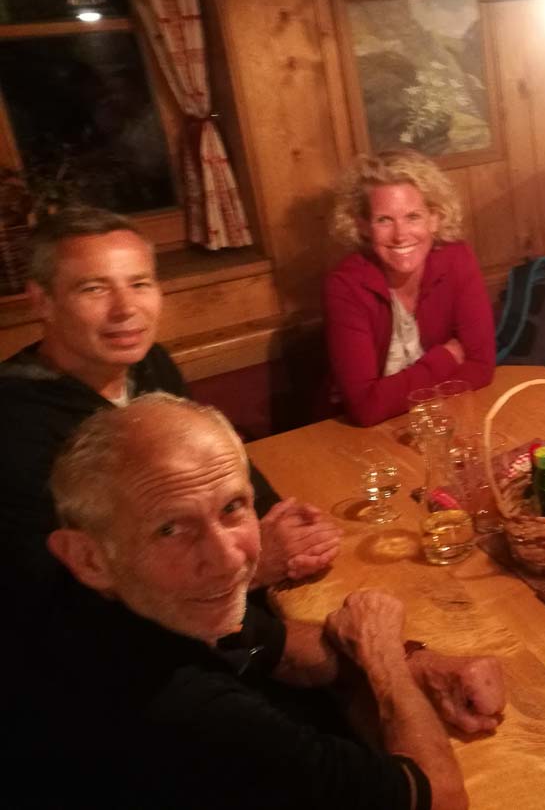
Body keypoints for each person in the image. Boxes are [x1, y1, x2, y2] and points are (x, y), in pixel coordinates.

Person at [11, 394, 503, 808]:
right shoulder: (183, 711)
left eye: (232, 507)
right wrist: (385, 662)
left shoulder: (122, 598)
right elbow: (440, 798)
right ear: (87, 557)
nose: (227, 557)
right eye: (170, 529)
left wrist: (415, 662)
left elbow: (276, 646)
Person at [0, 207, 339, 605]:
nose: (126, 309)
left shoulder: (152, 364)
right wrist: (249, 568)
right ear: (42, 301)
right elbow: (57, 599)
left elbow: (214, 464)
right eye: (94, 289)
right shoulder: (15, 421)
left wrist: (281, 521)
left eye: (139, 283)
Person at [324, 150, 495, 427]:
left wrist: (389, 394)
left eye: (413, 216)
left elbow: (481, 368)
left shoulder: (457, 259)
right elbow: (365, 408)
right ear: (363, 226)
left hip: (442, 419)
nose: (400, 235)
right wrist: (446, 357)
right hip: (366, 435)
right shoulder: (346, 285)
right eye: (384, 220)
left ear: (434, 218)